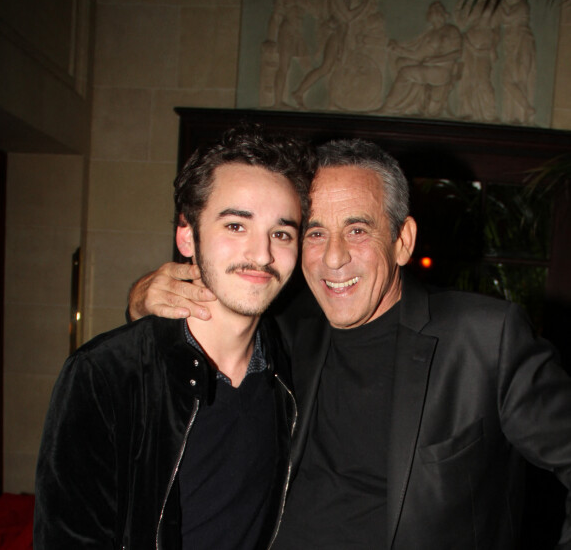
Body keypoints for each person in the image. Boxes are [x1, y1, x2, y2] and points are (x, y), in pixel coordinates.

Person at [128, 138, 571, 549]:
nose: (333, 257)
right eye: (315, 233)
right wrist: (140, 299)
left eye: (357, 230)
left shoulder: (484, 338)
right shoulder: (285, 331)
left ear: (403, 241)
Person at [34, 125, 314, 549]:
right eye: (236, 226)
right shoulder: (106, 375)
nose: (262, 254)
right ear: (187, 235)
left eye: (281, 233)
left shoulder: (292, 370)